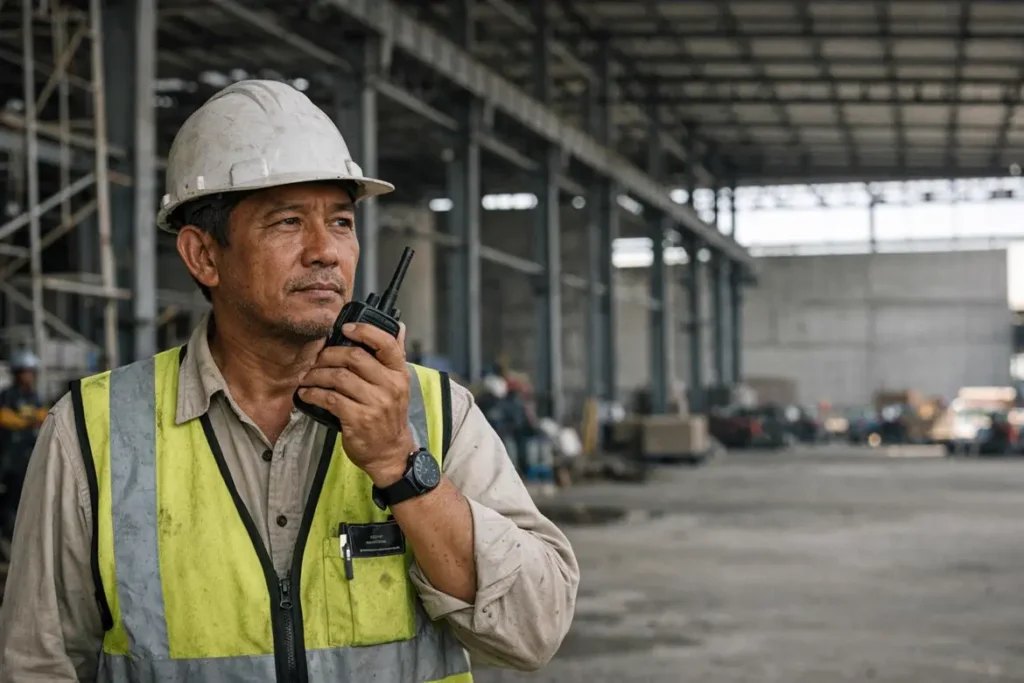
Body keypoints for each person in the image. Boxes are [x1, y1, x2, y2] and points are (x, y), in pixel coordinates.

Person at [0, 80, 579, 682]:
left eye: (342, 222)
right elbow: (37, 664)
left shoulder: (437, 413)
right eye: (286, 222)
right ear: (203, 255)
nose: (325, 251)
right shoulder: (93, 433)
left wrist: (402, 467)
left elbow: (534, 632)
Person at [0, 349, 46, 541]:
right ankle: (8, 538)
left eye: (31, 372)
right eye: (24, 372)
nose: (28, 376)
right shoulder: (8, 395)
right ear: (17, 373)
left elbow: (45, 415)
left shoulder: (34, 396)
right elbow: (6, 418)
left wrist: (30, 419)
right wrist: (28, 420)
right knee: (10, 502)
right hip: (10, 460)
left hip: (30, 457)